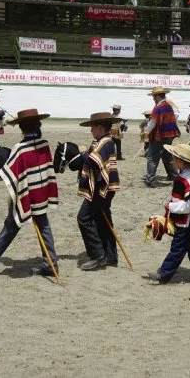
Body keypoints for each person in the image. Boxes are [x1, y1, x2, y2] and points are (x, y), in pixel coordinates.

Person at [0, 109, 60, 275]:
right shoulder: (44, 144)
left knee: (12, 224)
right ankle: (51, 263)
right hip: (41, 193)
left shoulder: (20, 148)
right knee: (42, 225)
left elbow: (9, 173)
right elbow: (46, 170)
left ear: (22, 128)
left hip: (26, 195)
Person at [147, 144, 190, 284]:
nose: (173, 161)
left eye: (174, 159)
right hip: (185, 221)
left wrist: (171, 206)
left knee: (177, 248)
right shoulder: (182, 176)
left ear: (180, 162)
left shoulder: (187, 181)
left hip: (185, 223)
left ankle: (164, 274)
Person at [77, 112, 121, 270]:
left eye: (92, 127)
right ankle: (110, 256)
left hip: (101, 188)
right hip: (106, 188)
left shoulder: (105, 142)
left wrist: (82, 153)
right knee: (103, 220)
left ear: (100, 127)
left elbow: (93, 162)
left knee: (84, 218)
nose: (91, 131)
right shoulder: (104, 141)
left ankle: (98, 256)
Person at [144, 87, 181, 187]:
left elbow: (152, 122)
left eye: (153, 96)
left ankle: (150, 180)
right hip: (169, 136)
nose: (153, 98)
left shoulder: (157, 108)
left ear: (158, 96)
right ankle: (174, 176)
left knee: (152, 158)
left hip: (159, 136)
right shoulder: (169, 106)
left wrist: (147, 132)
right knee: (167, 156)